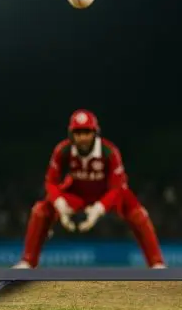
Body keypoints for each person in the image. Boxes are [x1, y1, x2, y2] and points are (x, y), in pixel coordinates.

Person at [15, 109, 166, 269]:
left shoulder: (109, 152)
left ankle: (157, 264)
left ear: (95, 132)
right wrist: (60, 205)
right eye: (78, 133)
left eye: (87, 132)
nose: (82, 138)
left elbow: (117, 188)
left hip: (107, 195)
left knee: (139, 214)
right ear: (71, 134)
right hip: (76, 195)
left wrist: (98, 210)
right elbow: (51, 183)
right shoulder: (63, 150)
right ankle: (28, 262)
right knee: (40, 211)